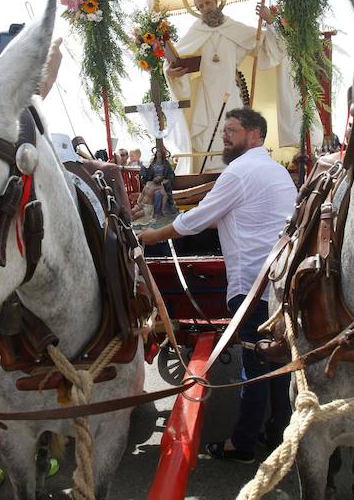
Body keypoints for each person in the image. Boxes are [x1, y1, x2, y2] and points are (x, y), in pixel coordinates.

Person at [138, 108, 296, 462]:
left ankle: (242, 445)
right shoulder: (276, 171)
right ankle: (278, 432)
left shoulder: (239, 172)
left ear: (255, 135)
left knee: (254, 369)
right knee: (275, 363)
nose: (225, 136)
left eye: (233, 130)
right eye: (224, 130)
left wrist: (151, 236)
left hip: (252, 285)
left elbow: (195, 222)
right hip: (280, 283)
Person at [165, 0, 291, 171]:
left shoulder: (234, 28)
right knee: (207, 135)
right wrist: (170, 71)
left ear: (217, 2)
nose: (205, 8)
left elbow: (264, 43)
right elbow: (174, 57)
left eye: (208, 3)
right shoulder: (196, 30)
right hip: (206, 93)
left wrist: (269, 20)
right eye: (200, 6)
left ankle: (236, 171)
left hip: (230, 92)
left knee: (235, 131)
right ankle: (209, 175)